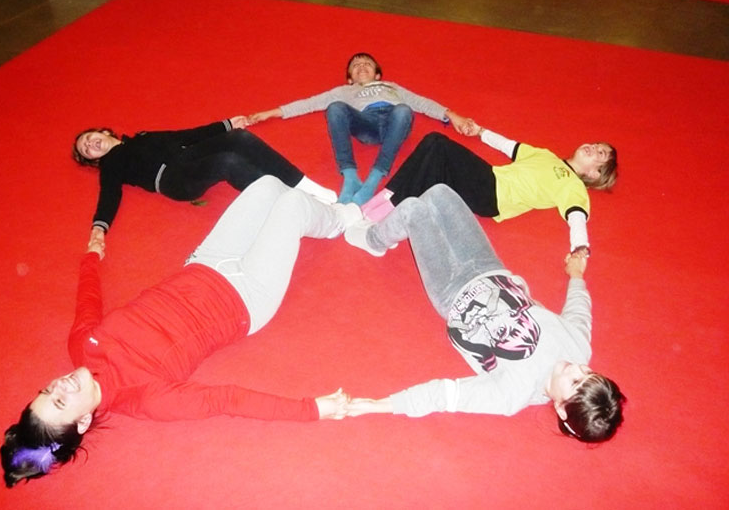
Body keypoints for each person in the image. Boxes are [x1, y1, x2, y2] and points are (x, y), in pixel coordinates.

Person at [0, 176, 361, 487]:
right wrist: (312, 410)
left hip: (205, 263)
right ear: (82, 421)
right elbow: (227, 400)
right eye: (59, 401)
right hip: (247, 297)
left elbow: (88, 302)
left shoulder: (82, 345)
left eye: (47, 391)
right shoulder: (146, 398)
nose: (59, 385)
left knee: (267, 186)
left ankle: (320, 214)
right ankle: (342, 220)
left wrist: (91, 257)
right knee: (293, 205)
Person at [344, 184, 625, 443]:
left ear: (562, 409)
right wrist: (576, 275)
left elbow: (446, 394)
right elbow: (579, 311)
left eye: (575, 381)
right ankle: (391, 228)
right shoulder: (578, 348)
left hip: (451, 291)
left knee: (413, 210)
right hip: (490, 267)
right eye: (588, 372)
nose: (577, 367)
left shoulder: (513, 392)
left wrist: (379, 405)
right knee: (439, 193)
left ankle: (373, 239)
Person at [361, 118, 618, 255]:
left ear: (595, 174)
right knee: (432, 160)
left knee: (437, 143)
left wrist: (580, 248)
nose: (594, 147)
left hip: (493, 195)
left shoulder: (573, 186)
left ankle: (385, 209)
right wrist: (481, 132)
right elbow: (509, 146)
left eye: (600, 154)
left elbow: (576, 217)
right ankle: (386, 208)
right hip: (488, 178)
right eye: (597, 144)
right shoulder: (546, 156)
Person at [73, 117, 337, 248]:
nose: (91, 145)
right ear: (93, 160)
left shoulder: (141, 137)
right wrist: (99, 227)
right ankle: (296, 205)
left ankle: (306, 186)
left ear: (101, 131)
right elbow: (109, 193)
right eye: (87, 150)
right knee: (228, 162)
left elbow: (183, 136)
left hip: (187, 155)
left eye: (88, 139)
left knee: (240, 138)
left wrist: (226, 125)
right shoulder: (111, 163)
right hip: (172, 179)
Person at [247, 53, 465, 205]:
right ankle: (350, 176)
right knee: (334, 107)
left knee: (404, 110)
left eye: (367, 64)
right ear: (350, 78)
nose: (361, 66)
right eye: (356, 65)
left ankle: (374, 178)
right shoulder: (344, 91)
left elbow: (422, 102)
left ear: (378, 75)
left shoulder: (392, 87)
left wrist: (452, 115)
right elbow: (310, 102)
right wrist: (272, 112)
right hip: (366, 124)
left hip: (395, 122)